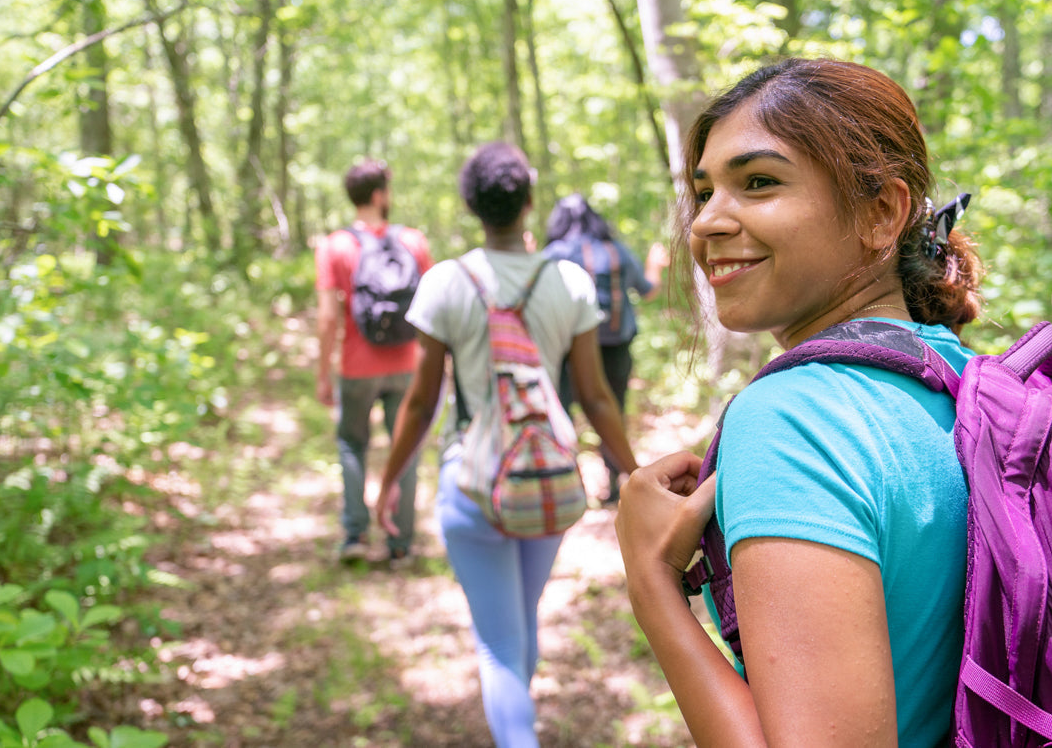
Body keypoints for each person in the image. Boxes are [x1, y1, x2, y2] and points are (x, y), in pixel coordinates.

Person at [614, 58, 985, 747]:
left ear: (881, 213)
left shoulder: (792, 420)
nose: (708, 223)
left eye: (758, 183)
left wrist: (652, 587)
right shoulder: (965, 375)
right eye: (704, 192)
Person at [373, 142, 639, 747]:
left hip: (470, 481)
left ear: (472, 205)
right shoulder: (567, 281)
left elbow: (419, 404)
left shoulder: (445, 281)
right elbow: (597, 399)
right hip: (545, 479)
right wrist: (637, 474)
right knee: (521, 626)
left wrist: (388, 482)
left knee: (498, 645)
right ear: (528, 201)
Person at [315, 159, 434, 564]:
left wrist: (323, 374)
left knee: (352, 444)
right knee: (407, 446)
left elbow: (329, 317)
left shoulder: (334, 246)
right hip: (407, 365)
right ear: (380, 194)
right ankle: (400, 544)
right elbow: (433, 310)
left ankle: (354, 536)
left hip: (356, 366)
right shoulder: (414, 242)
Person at [541, 193, 668, 505]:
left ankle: (571, 485)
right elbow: (648, 291)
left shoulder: (553, 254)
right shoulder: (618, 251)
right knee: (613, 409)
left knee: (562, 411)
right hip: (615, 346)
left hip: (570, 350)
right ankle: (614, 488)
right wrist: (655, 266)